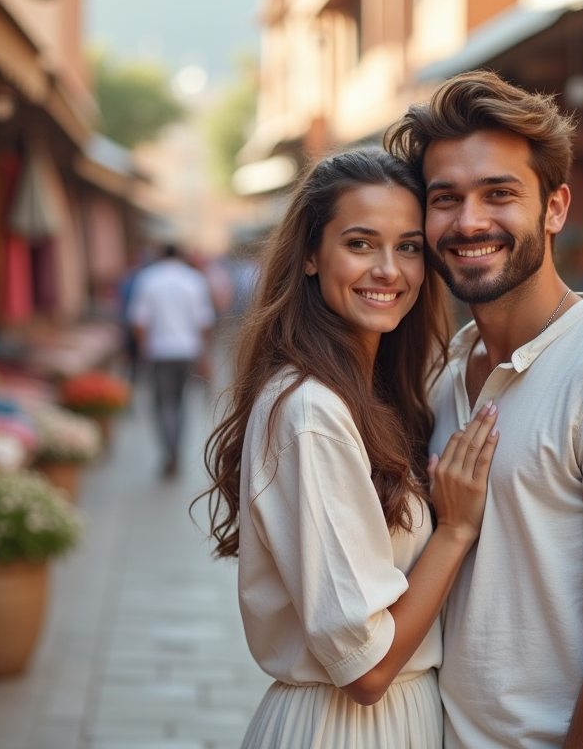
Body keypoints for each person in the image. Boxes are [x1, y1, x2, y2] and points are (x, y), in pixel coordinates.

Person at [384, 70, 583, 749]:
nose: (469, 221)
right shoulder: (451, 368)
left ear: (555, 208)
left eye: (499, 194)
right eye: (445, 198)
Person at [201, 150, 500, 748]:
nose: (389, 269)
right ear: (311, 254)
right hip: (346, 728)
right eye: (361, 244)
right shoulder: (311, 411)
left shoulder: (377, 394)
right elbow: (365, 670)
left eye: (409, 247)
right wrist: (455, 531)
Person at [128, 243, 216, 478]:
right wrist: (204, 353)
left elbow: (139, 321)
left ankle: (170, 452)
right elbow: (204, 321)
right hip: (187, 350)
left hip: (159, 352)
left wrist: (144, 349)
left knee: (164, 404)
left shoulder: (148, 279)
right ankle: (176, 451)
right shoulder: (194, 280)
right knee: (181, 404)